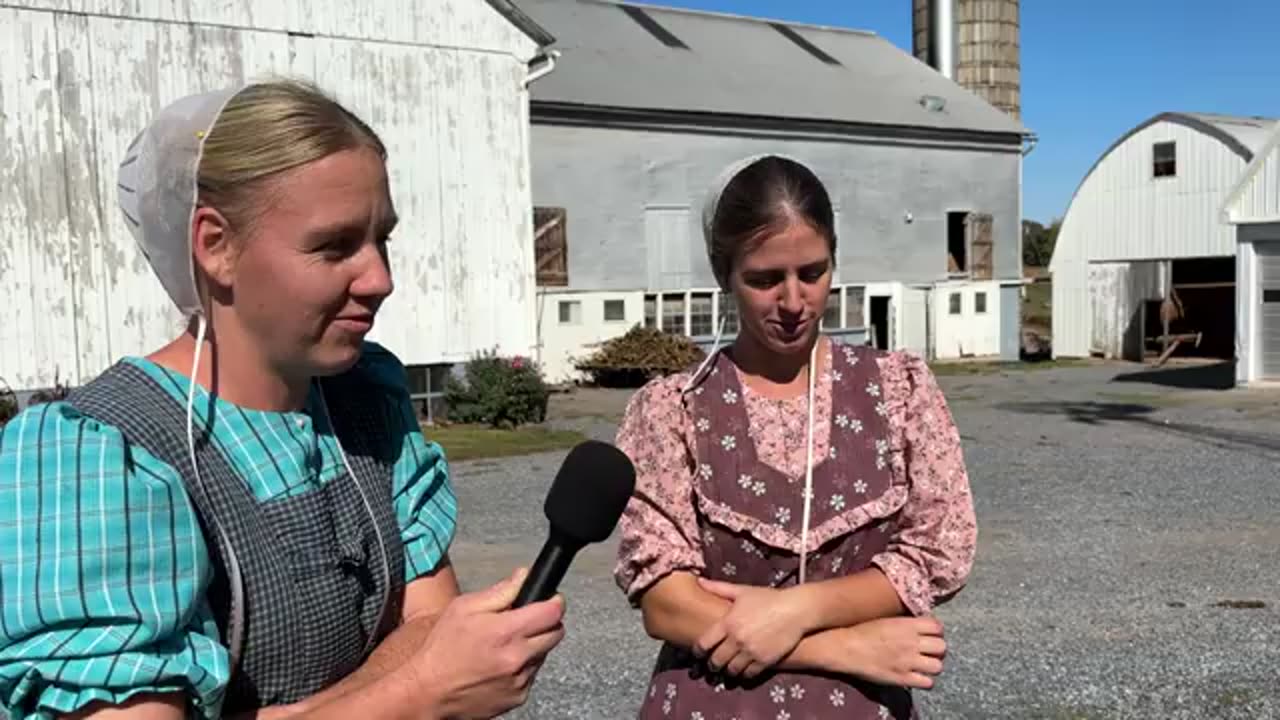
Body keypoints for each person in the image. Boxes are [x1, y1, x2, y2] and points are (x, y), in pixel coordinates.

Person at [0, 80, 565, 719]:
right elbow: (424, 665)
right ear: (215, 246)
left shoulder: (365, 400)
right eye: (334, 246)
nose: (380, 279)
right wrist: (414, 695)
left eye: (383, 239)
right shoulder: (98, 457)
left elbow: (428, 623)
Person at [613, 155, 978, 719]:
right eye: (763, 279)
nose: (793, 302)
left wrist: (798, 609)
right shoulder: (673, 410)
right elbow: (665, 602)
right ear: (722, 273)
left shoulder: (900, 390)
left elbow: (939, 547)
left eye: (813, 272)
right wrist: (842, 646)